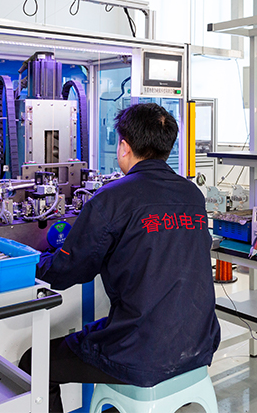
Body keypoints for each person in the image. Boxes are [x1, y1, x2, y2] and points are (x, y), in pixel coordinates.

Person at [19, 103, 221, 413]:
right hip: (199, 342)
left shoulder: (111, 200)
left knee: (33, 363)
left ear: (124, 147)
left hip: (140, 352)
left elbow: (64, 272)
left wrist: (29, 261)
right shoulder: (192, 194)